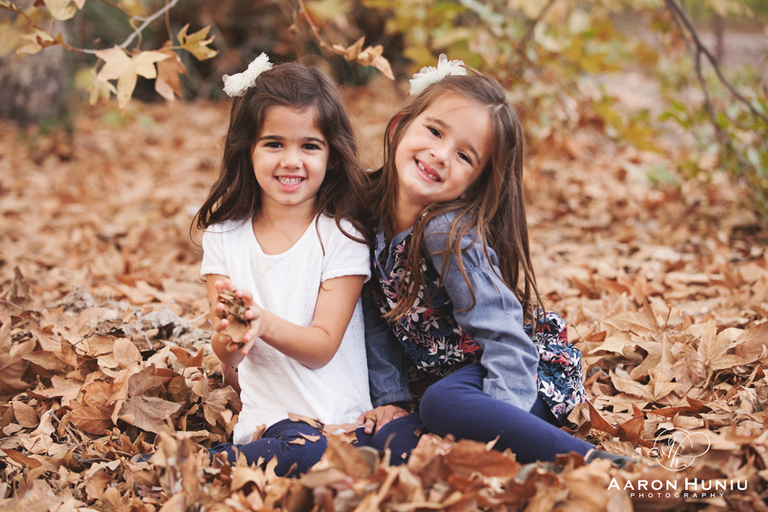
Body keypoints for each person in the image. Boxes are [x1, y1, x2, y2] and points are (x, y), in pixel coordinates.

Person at [359, 55, 633, 468]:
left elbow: (503, 333)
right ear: (400, 126)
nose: (440, 154)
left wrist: (499, 419)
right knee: (388, 440)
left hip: (518, 380)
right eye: (434, 131)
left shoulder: (447, 234)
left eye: (465, 156)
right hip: (448, 392)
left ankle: (608, 468)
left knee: (443, 403)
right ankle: (490, 463)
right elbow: (374, 316)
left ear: (476, 182)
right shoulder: (365, 216)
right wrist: (391, 398)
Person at [194, 54, 374, 476]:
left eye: (309, 146)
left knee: (337, 457)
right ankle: (206, 466)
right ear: (248, 149)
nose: (291, 160)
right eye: (274, 143)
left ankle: (217, 466)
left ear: (332, 155)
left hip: (343, 420)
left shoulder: (341, 235)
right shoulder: (224, 237)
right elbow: (227, 353)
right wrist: (232, 340)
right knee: (299, 453)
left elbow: (322, 347)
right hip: (272, 418)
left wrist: (262, 322)